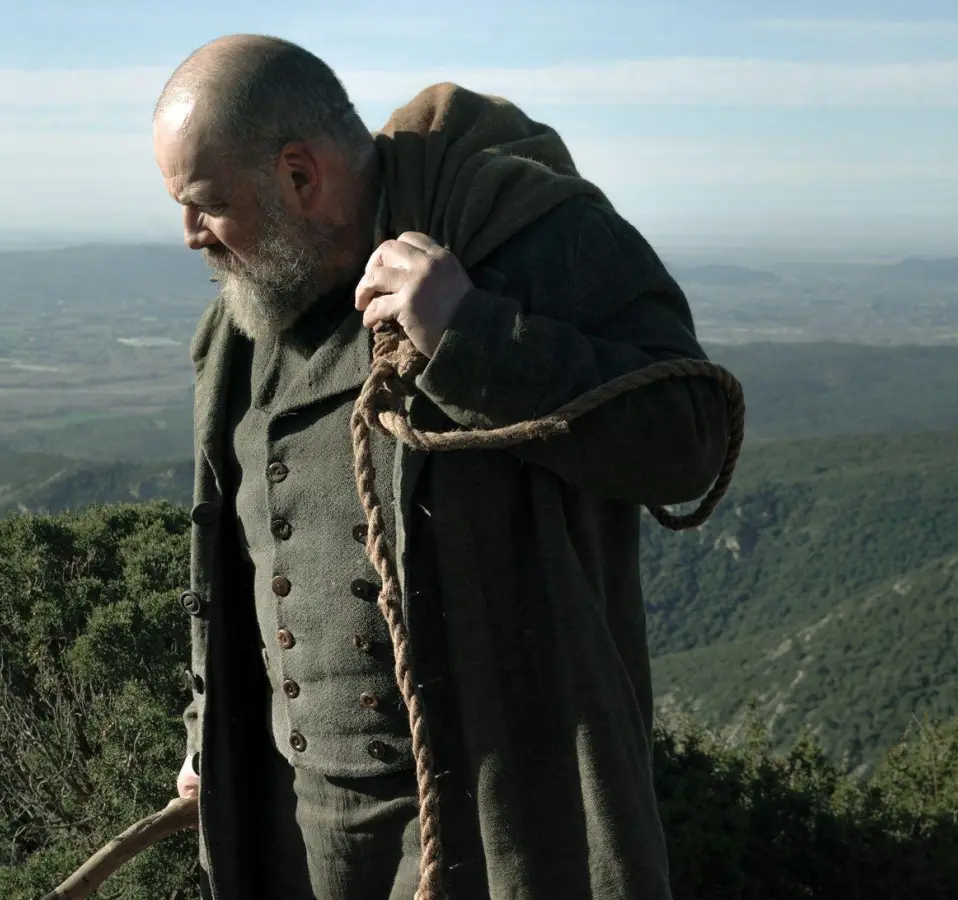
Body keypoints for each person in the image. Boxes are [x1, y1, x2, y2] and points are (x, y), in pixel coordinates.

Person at [153, 33, 731, 900]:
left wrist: (473, 332)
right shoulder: (242, 333)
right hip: (300, 847)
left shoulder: (523, 236)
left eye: (204, 204)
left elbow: (692, 439)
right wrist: (213, 735)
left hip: (500, 842)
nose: (191, 236)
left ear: (299, 176)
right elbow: (239, 570)